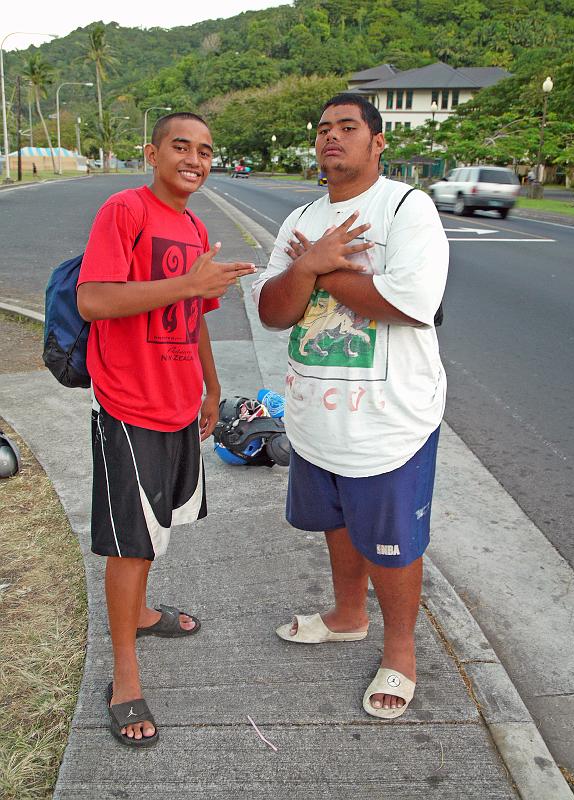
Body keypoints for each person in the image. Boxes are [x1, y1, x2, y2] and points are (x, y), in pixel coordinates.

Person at [252, 94, 448, 719]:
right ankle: (347, 616)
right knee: (336, 523)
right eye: (323, 129)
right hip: (315, 413)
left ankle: (400, 651)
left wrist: (317, 269)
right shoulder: (303, 217)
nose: (331, 137)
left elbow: (410, 302)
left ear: (378, 141)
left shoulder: (405, 209)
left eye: (347, 127)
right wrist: (307, 264)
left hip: (389, 420)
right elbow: (273, 310)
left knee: (392, 542)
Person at [77, 112, 256, 746]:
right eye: (182, 146)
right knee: (127, 540)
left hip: (180, 400)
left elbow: (196, 314)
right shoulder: (124, 210)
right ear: (153, 153)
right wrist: (187, 281)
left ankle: (144, 613)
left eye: (206, 150)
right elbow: (94, 300)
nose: (196, 159)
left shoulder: (194, 224)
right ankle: (124, 677)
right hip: (128, 403)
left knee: (156, 526)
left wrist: (211, 388)